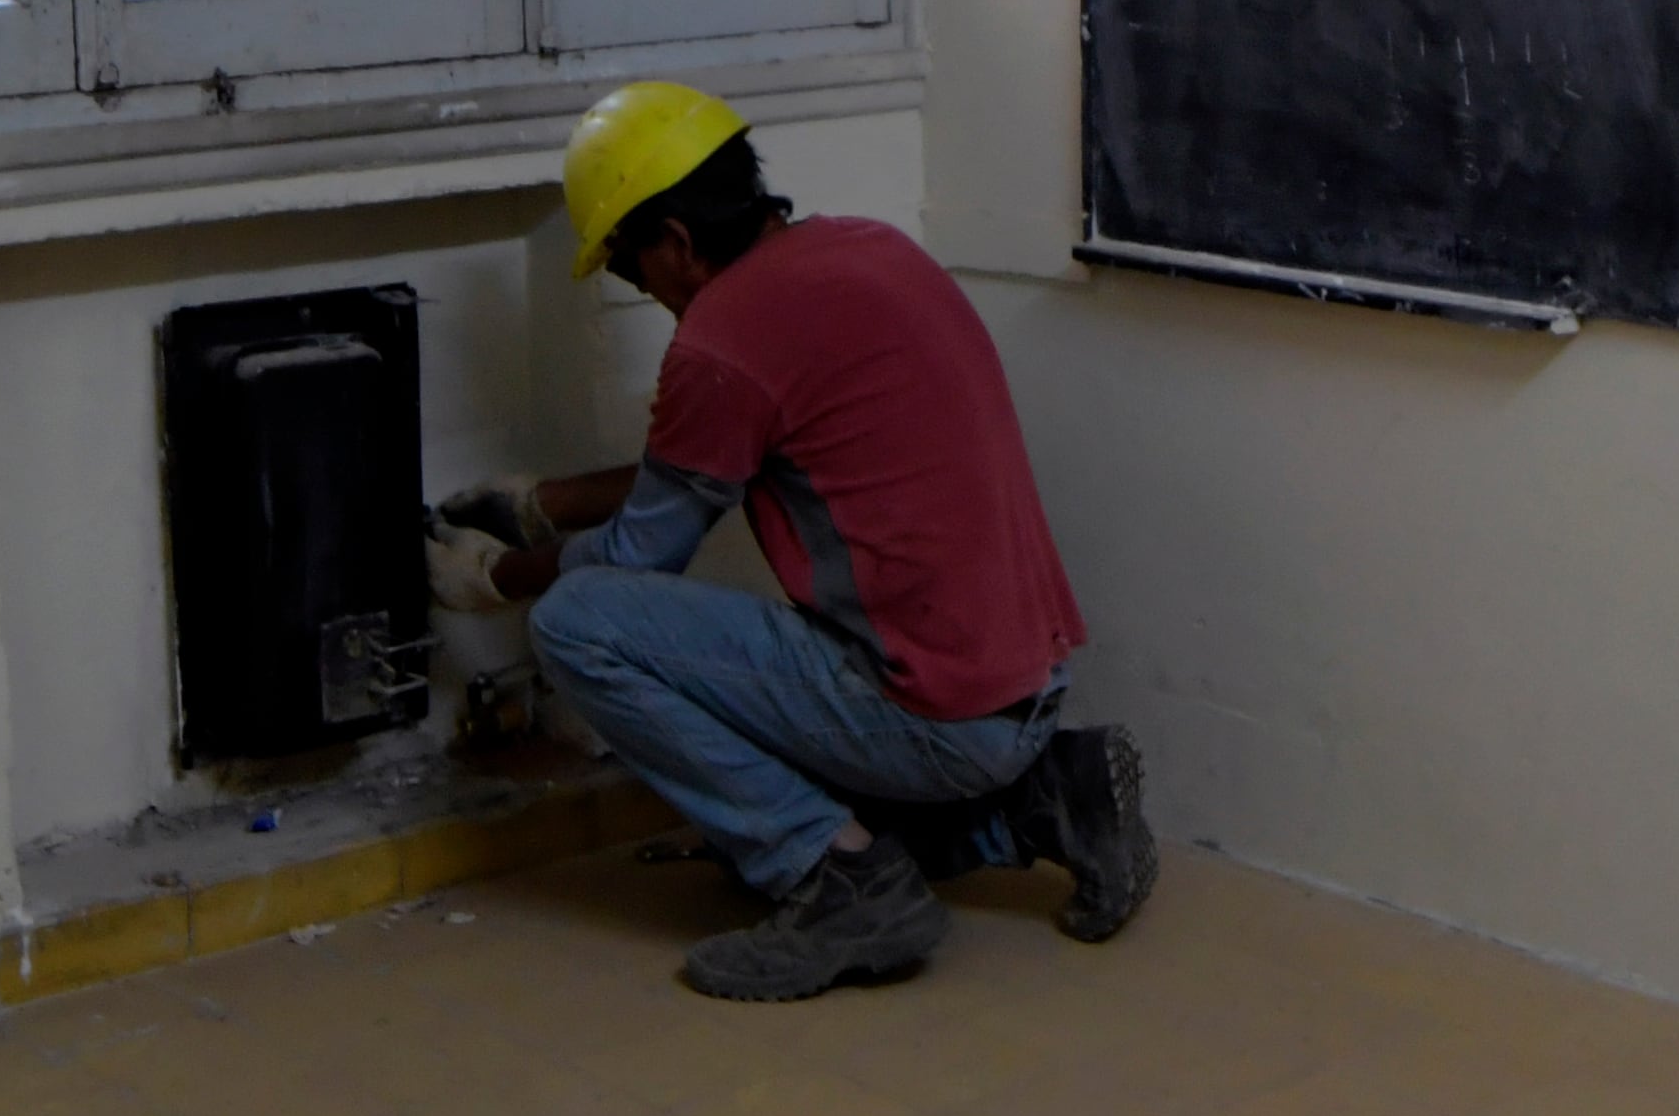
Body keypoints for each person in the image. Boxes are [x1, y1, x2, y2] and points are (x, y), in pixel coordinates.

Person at [428, 83, 1152, 1001]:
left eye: (625, 267)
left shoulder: (723, 344)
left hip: (936, 717)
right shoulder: (868, 250)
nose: (639, 289)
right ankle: (1048, 794)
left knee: (576, 622)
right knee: (783, 771)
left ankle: (841, 884)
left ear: (678, 244)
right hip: (1021, 692)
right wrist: (544, 502)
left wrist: (499, 577)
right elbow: (710, 461)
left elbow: (633, 564)